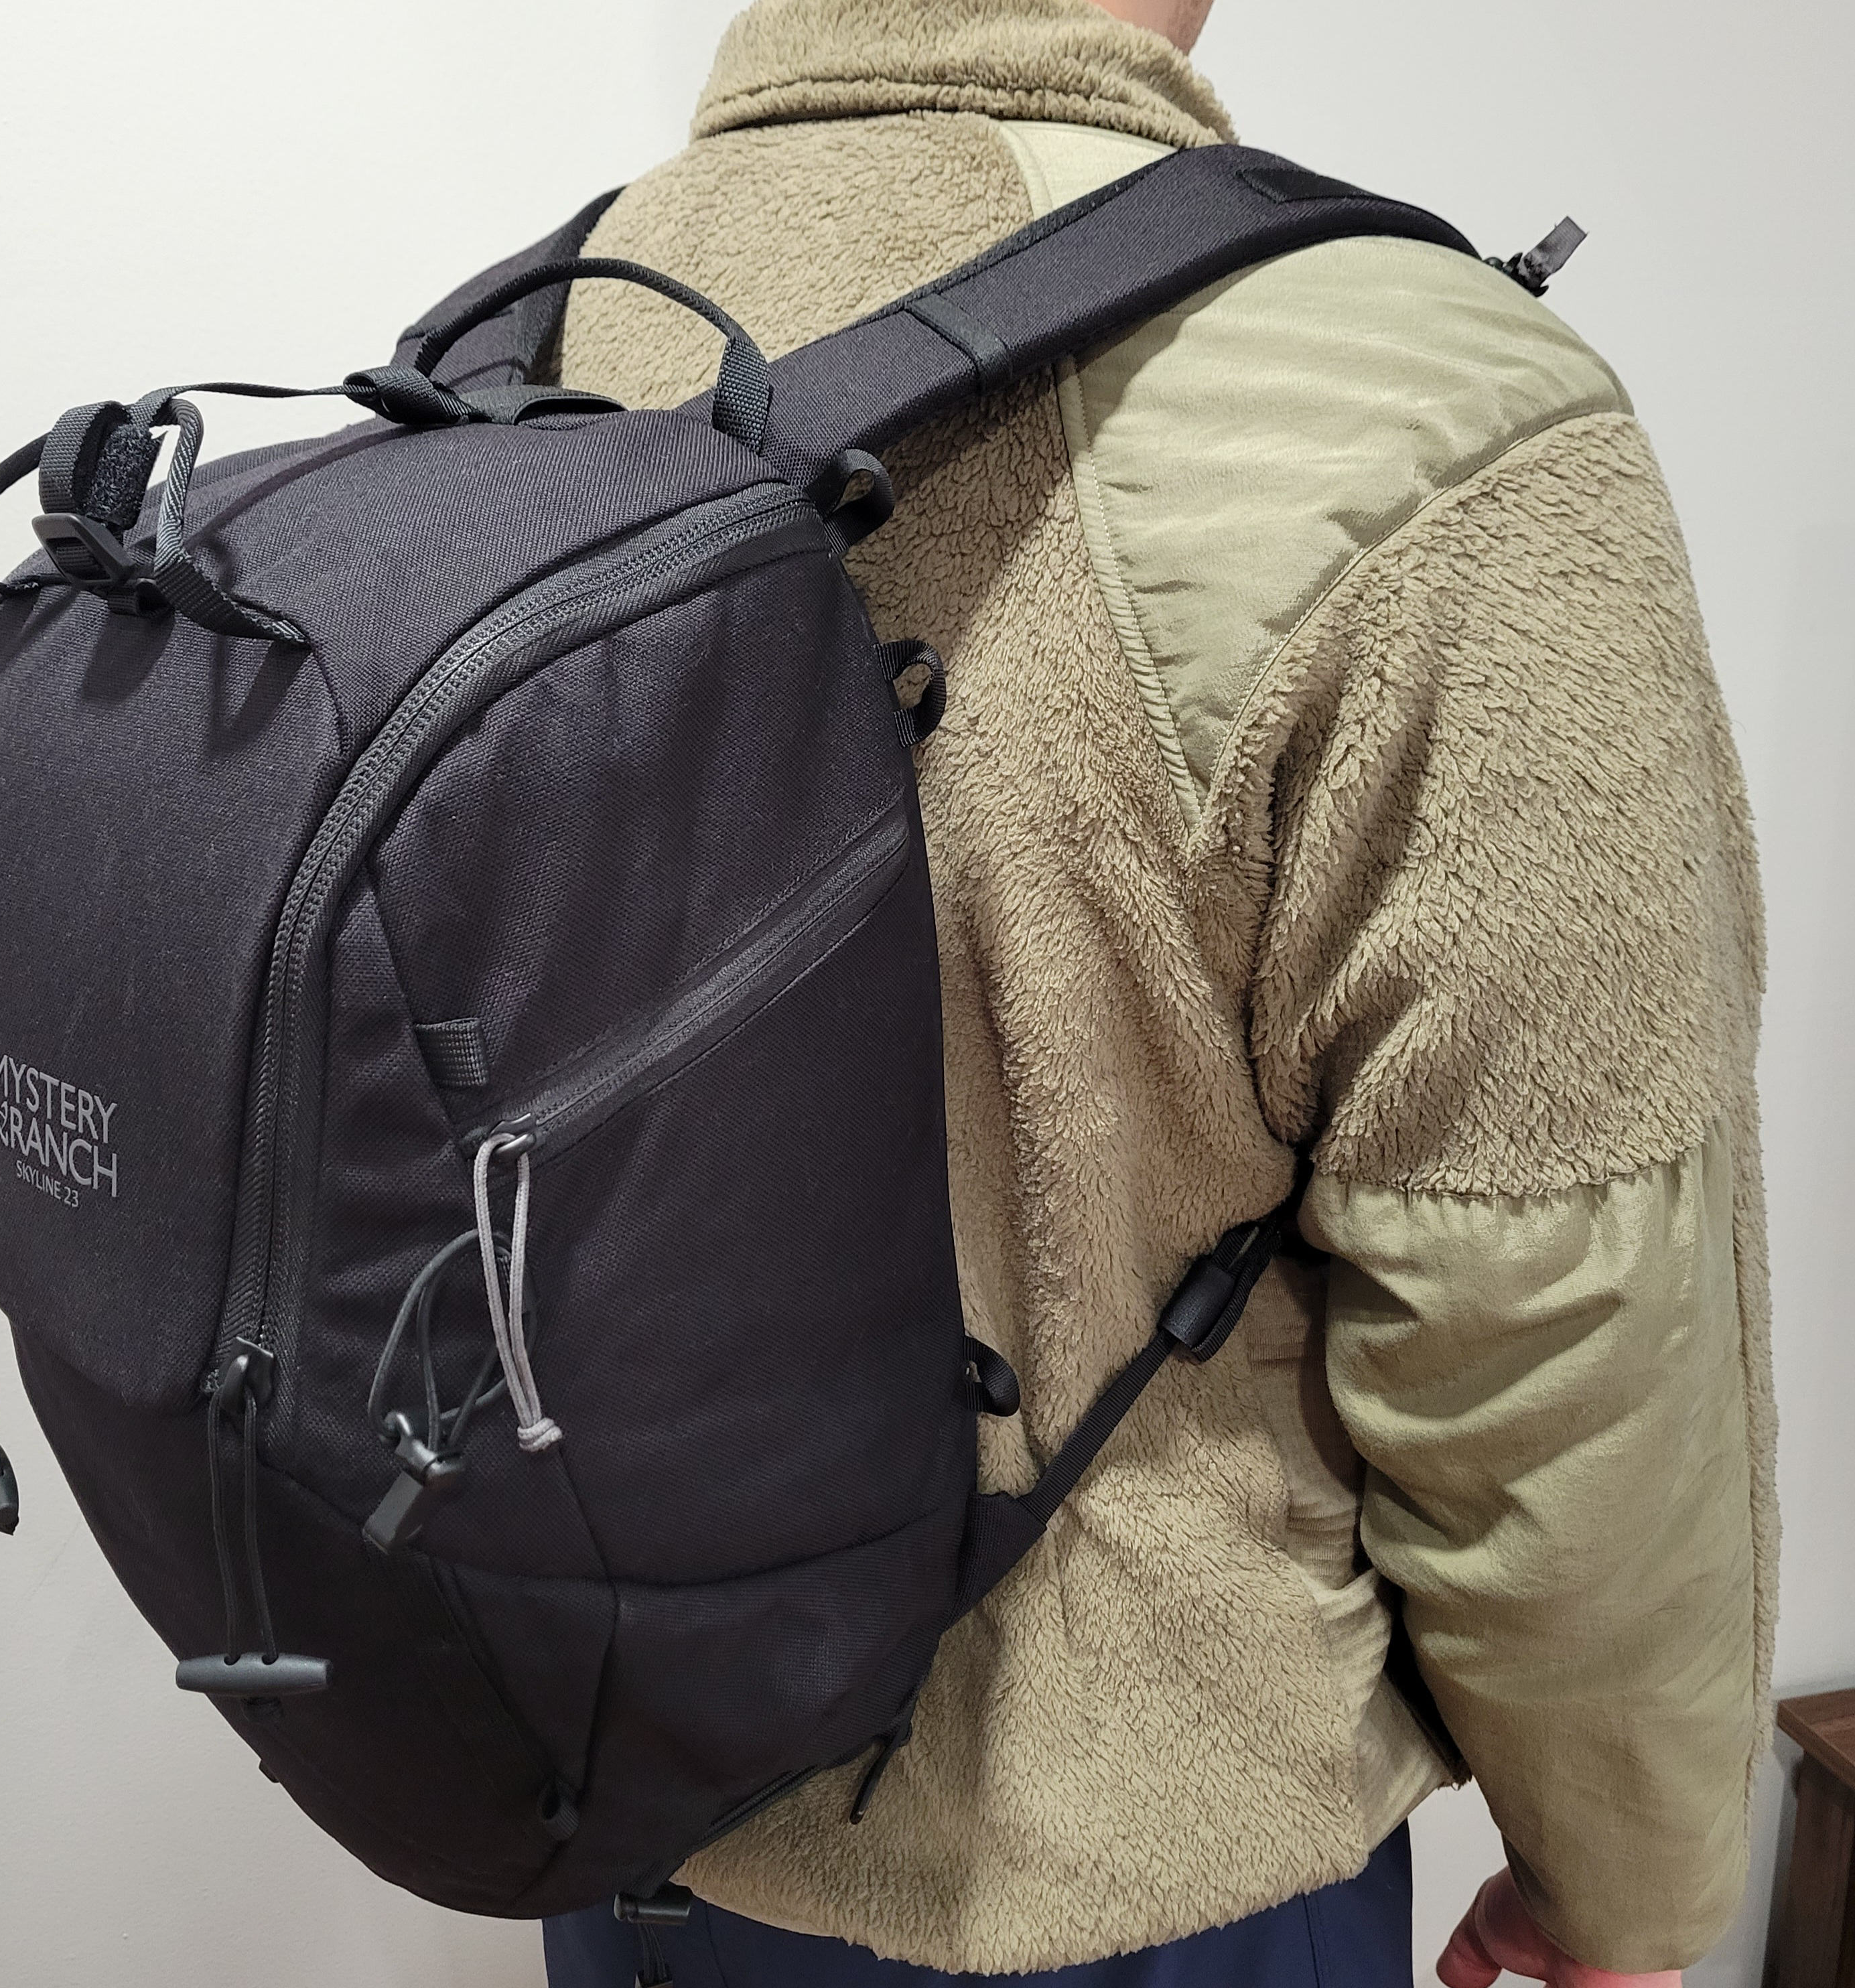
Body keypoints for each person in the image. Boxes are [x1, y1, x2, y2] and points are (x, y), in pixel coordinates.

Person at [540, 1, 1773, 1981]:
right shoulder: (1423, 416)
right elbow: (1553, 1301)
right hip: (1126, 1868)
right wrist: (1623, 1881)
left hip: (609, 1786)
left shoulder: (538, 332)